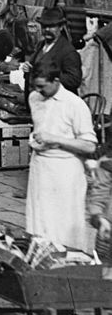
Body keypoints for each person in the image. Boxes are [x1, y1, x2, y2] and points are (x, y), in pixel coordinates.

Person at [26, 67, 97, 251]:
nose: (39, 91)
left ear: (56, 81)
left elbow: (89, 146)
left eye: (42, 86)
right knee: (40, 220)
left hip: (65, 169)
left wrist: (55, 138)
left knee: (64, 223)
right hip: (40, 166)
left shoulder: (75, 104)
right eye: (36, 87)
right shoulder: (34, 98)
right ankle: (40, 258)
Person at [33, 7, 83, 94]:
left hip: (59, 102)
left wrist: (50, 74)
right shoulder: (40, 45)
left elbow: (74, 80)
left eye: (51, 26)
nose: (47, 30)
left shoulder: (68, 51)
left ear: (61, 27)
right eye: (44, 26)